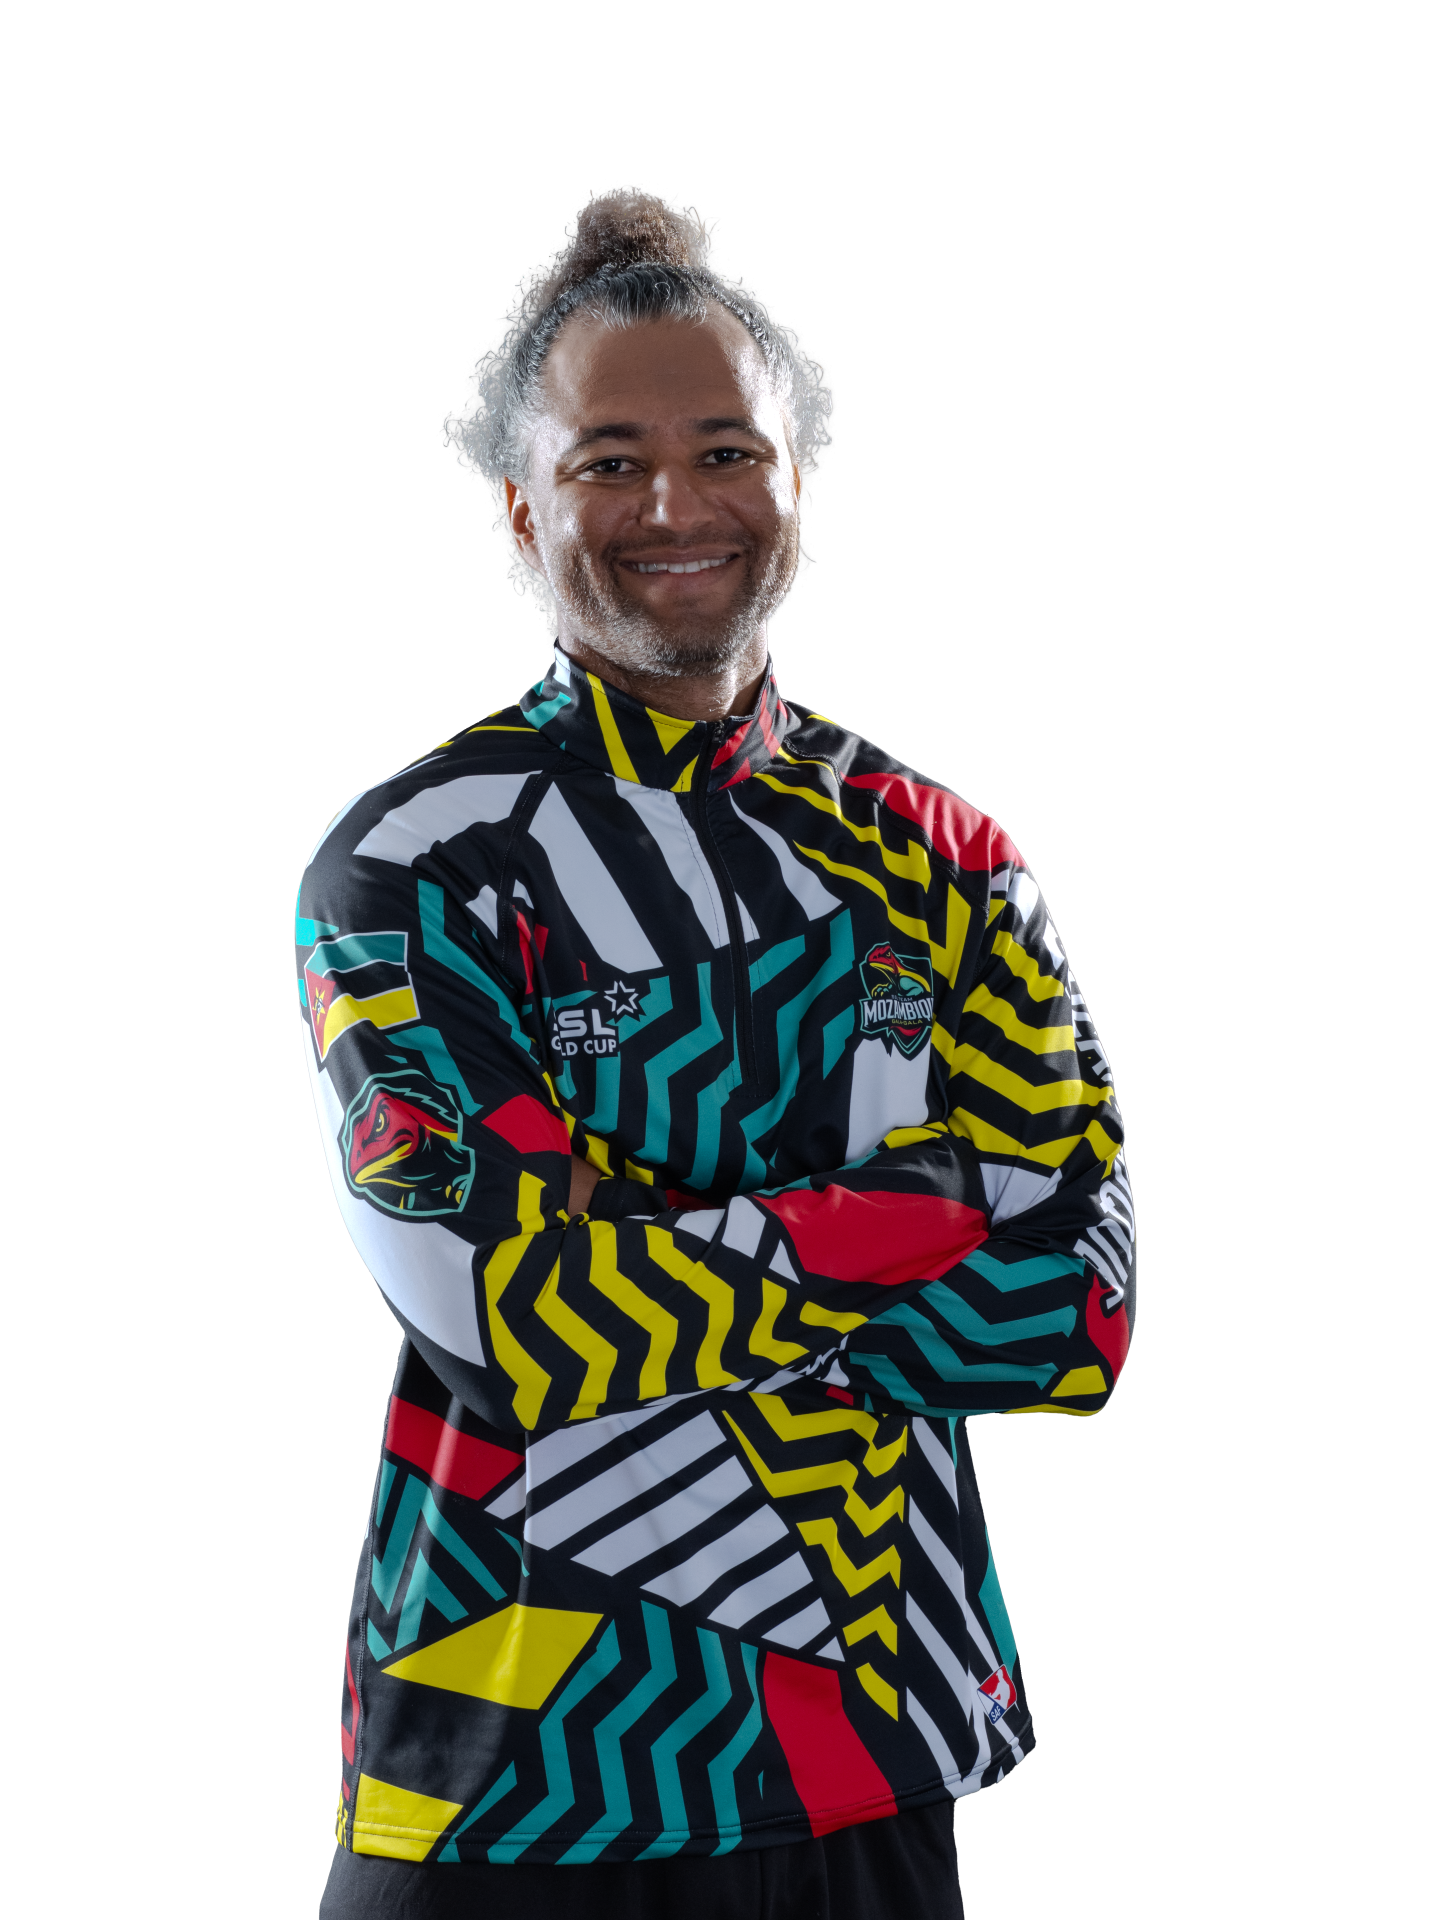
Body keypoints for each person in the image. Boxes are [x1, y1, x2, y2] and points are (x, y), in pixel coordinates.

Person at [303, 189, 1135, 1920]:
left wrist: (641, 1242)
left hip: (882, 1737)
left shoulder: (949, 854)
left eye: (725, 452)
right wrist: (922, 1201)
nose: (674, 508)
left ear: (796, 480)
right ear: (524, 506)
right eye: (609, 462)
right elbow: (502, 1320)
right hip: (505, 1765)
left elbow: (1076, 1313)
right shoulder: (411, 860)